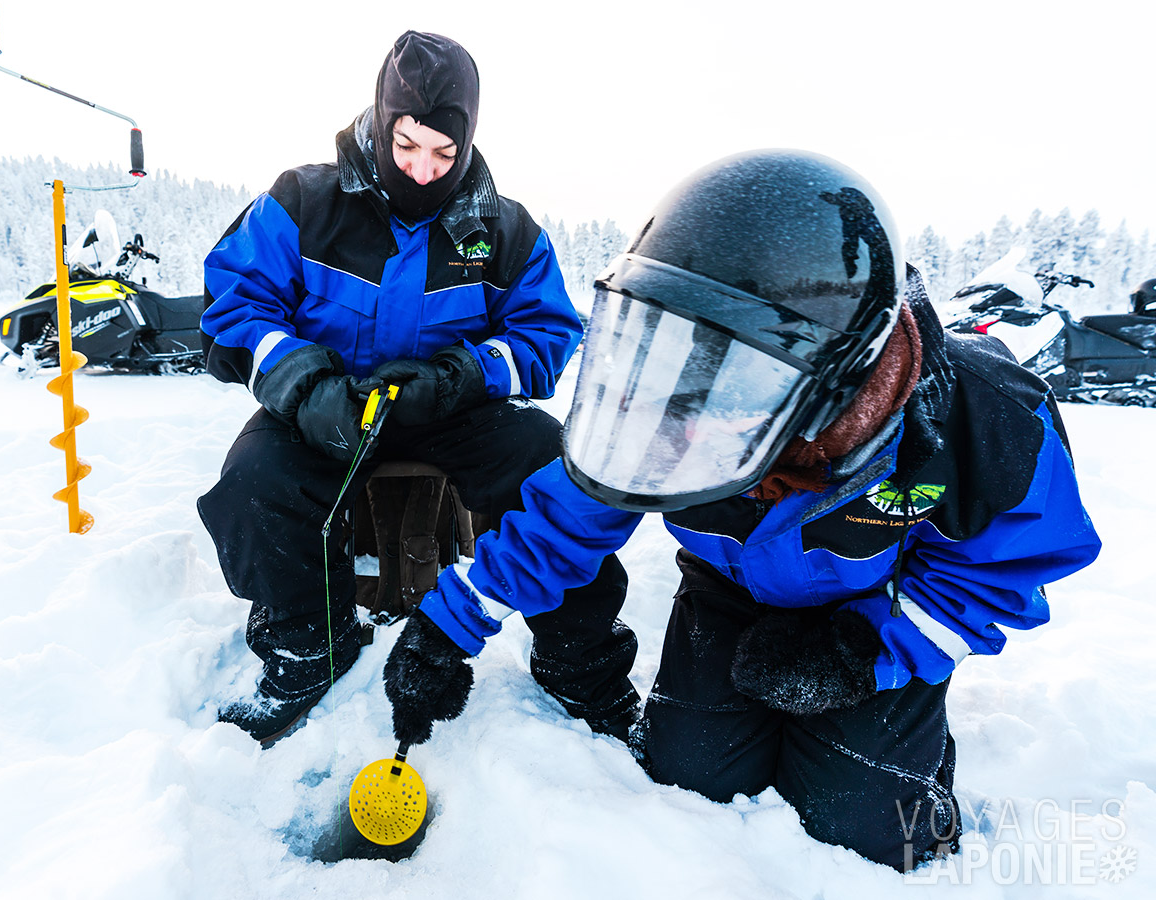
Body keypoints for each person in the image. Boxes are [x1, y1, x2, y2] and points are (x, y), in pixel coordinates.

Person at [381, 149, 1102, 869]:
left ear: (825, 382)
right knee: (689, 779)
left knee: (867, 825)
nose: (687, 419)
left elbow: (1006, 571)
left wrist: (863, 654)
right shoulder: (679, 391)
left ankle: (910, 760)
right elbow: (569, 516)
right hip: (728, 594)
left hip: (877, 611)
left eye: (728, 387)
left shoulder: (982, 422)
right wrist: (451, 624)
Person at [197, 31, 635, 744]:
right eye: (407, 146)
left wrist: (463, 376)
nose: (425, 170)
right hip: (326, 405)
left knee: (553, 472)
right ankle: (311, 646)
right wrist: (304, 385)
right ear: (381, 118)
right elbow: (237, 304)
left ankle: (580, 663)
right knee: (252, 485)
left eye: (444, 153)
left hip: (446, 407)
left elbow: (548, 336)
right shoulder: (301, 200)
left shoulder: (506, 229)